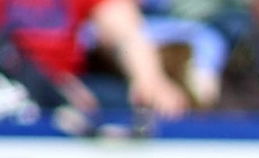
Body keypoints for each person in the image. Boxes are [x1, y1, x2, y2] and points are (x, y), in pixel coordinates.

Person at [0, 0, 189, 118]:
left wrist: (150, 80)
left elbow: (124, 32)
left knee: (129, 108)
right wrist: (49, 86)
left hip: (71, 87)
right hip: (13, 81)